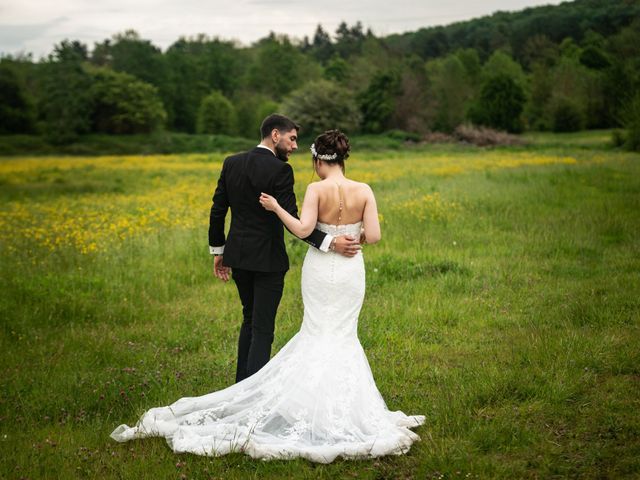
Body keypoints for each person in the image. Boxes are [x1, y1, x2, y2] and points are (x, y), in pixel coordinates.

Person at [110, 129, 425, 463]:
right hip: (350, 271)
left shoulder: (316, 189)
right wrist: (354, 233)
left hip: (320, 270)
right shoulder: (364, 190)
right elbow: (373, 236)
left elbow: (303, 230)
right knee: (344, 333)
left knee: (316, 330)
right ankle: (345, 410)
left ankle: (305, 404)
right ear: (343, 159)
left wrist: (276, 207)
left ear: (319, 160)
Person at [208, 114, 360, 383]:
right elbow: (295, 223)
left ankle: (240, 386)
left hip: (238, 256)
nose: (294, 146)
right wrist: (329, 242)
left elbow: (218, 210)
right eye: (292, 139)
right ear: (275, 135)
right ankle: (251, 395)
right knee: (263, 328)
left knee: (249, 319)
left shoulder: (231, 163)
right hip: (268, 260)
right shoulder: (280, 170)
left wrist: (219, 251)